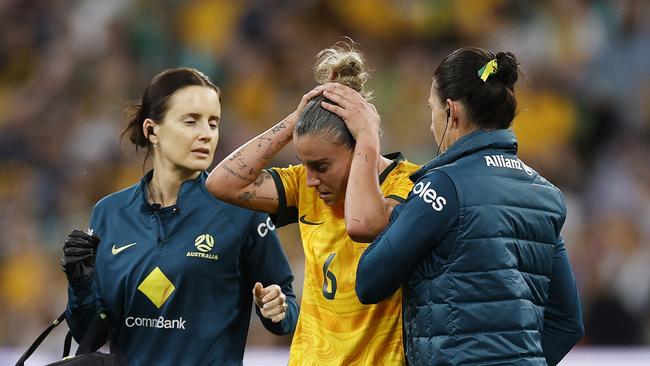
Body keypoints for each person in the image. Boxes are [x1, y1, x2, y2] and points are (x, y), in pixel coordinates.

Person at [353, 48, 584, 365]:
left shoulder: (442, 186)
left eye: (432, 109)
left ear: (452, 111)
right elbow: (567, 322)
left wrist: (405, 204)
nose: (432, 124)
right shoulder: (546, 195)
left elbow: (369, 281)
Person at [61, 67, 298, 365]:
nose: (206, 134)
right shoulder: (109, 213)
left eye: (213, 123)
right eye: (191, 121)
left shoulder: (242, 210)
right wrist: (80, 284)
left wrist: (277, 309)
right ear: (152, 130)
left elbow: (286, 310)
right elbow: (90, 335)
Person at [206, 41, 419, 365]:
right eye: (304, 164)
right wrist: (295, 120)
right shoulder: (305, 189)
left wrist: (369, 138)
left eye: (321, 166)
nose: (309, 179)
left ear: (358, 145)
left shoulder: (411, 186)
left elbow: (365, 224)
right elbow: (222, 183)